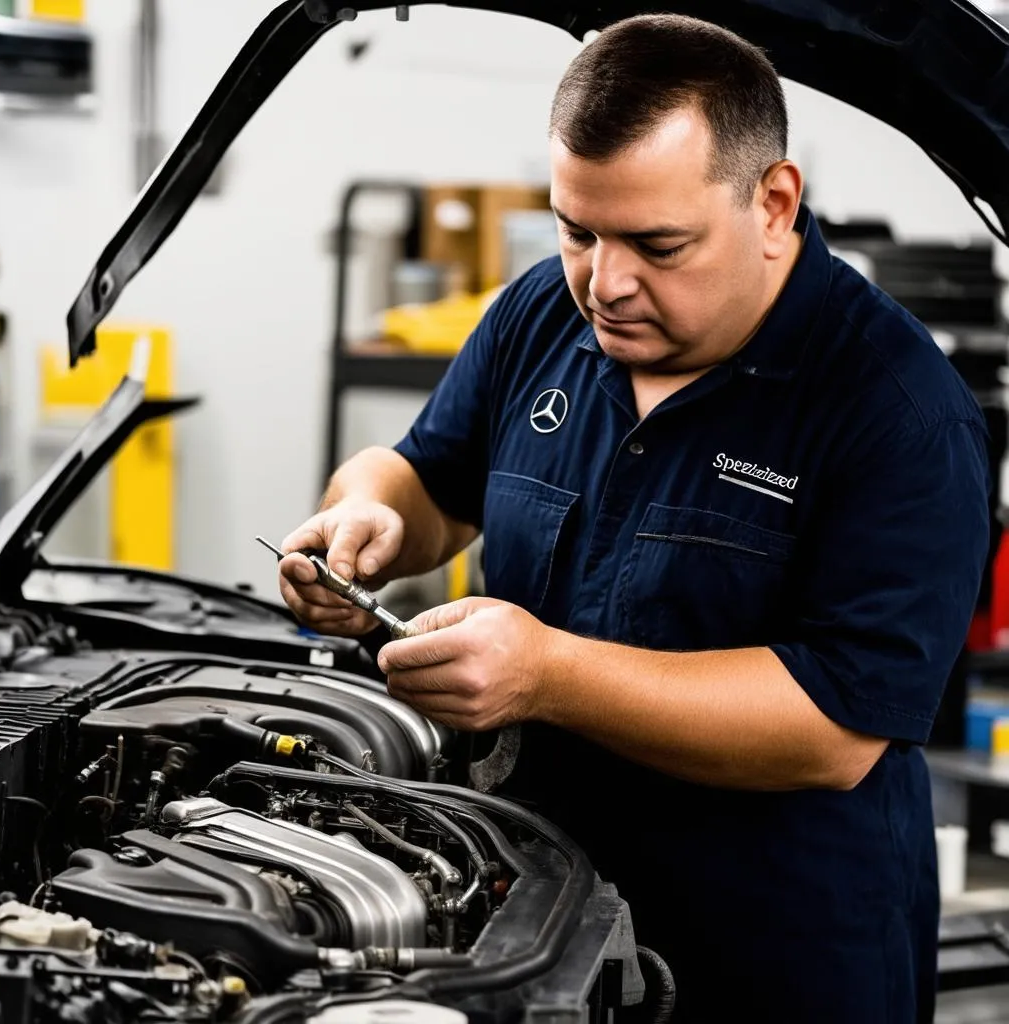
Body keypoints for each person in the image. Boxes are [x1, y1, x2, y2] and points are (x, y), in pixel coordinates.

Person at [279, 14, 989, 1022]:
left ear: (773, 204)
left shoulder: (898, 411)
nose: (604, 285)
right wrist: (362, 520)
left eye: (659, 244)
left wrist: (545, 673)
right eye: (577, 231)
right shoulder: (539, 315)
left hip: (770, 955)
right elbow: (428, 479)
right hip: (531, 917)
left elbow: (836, 724)